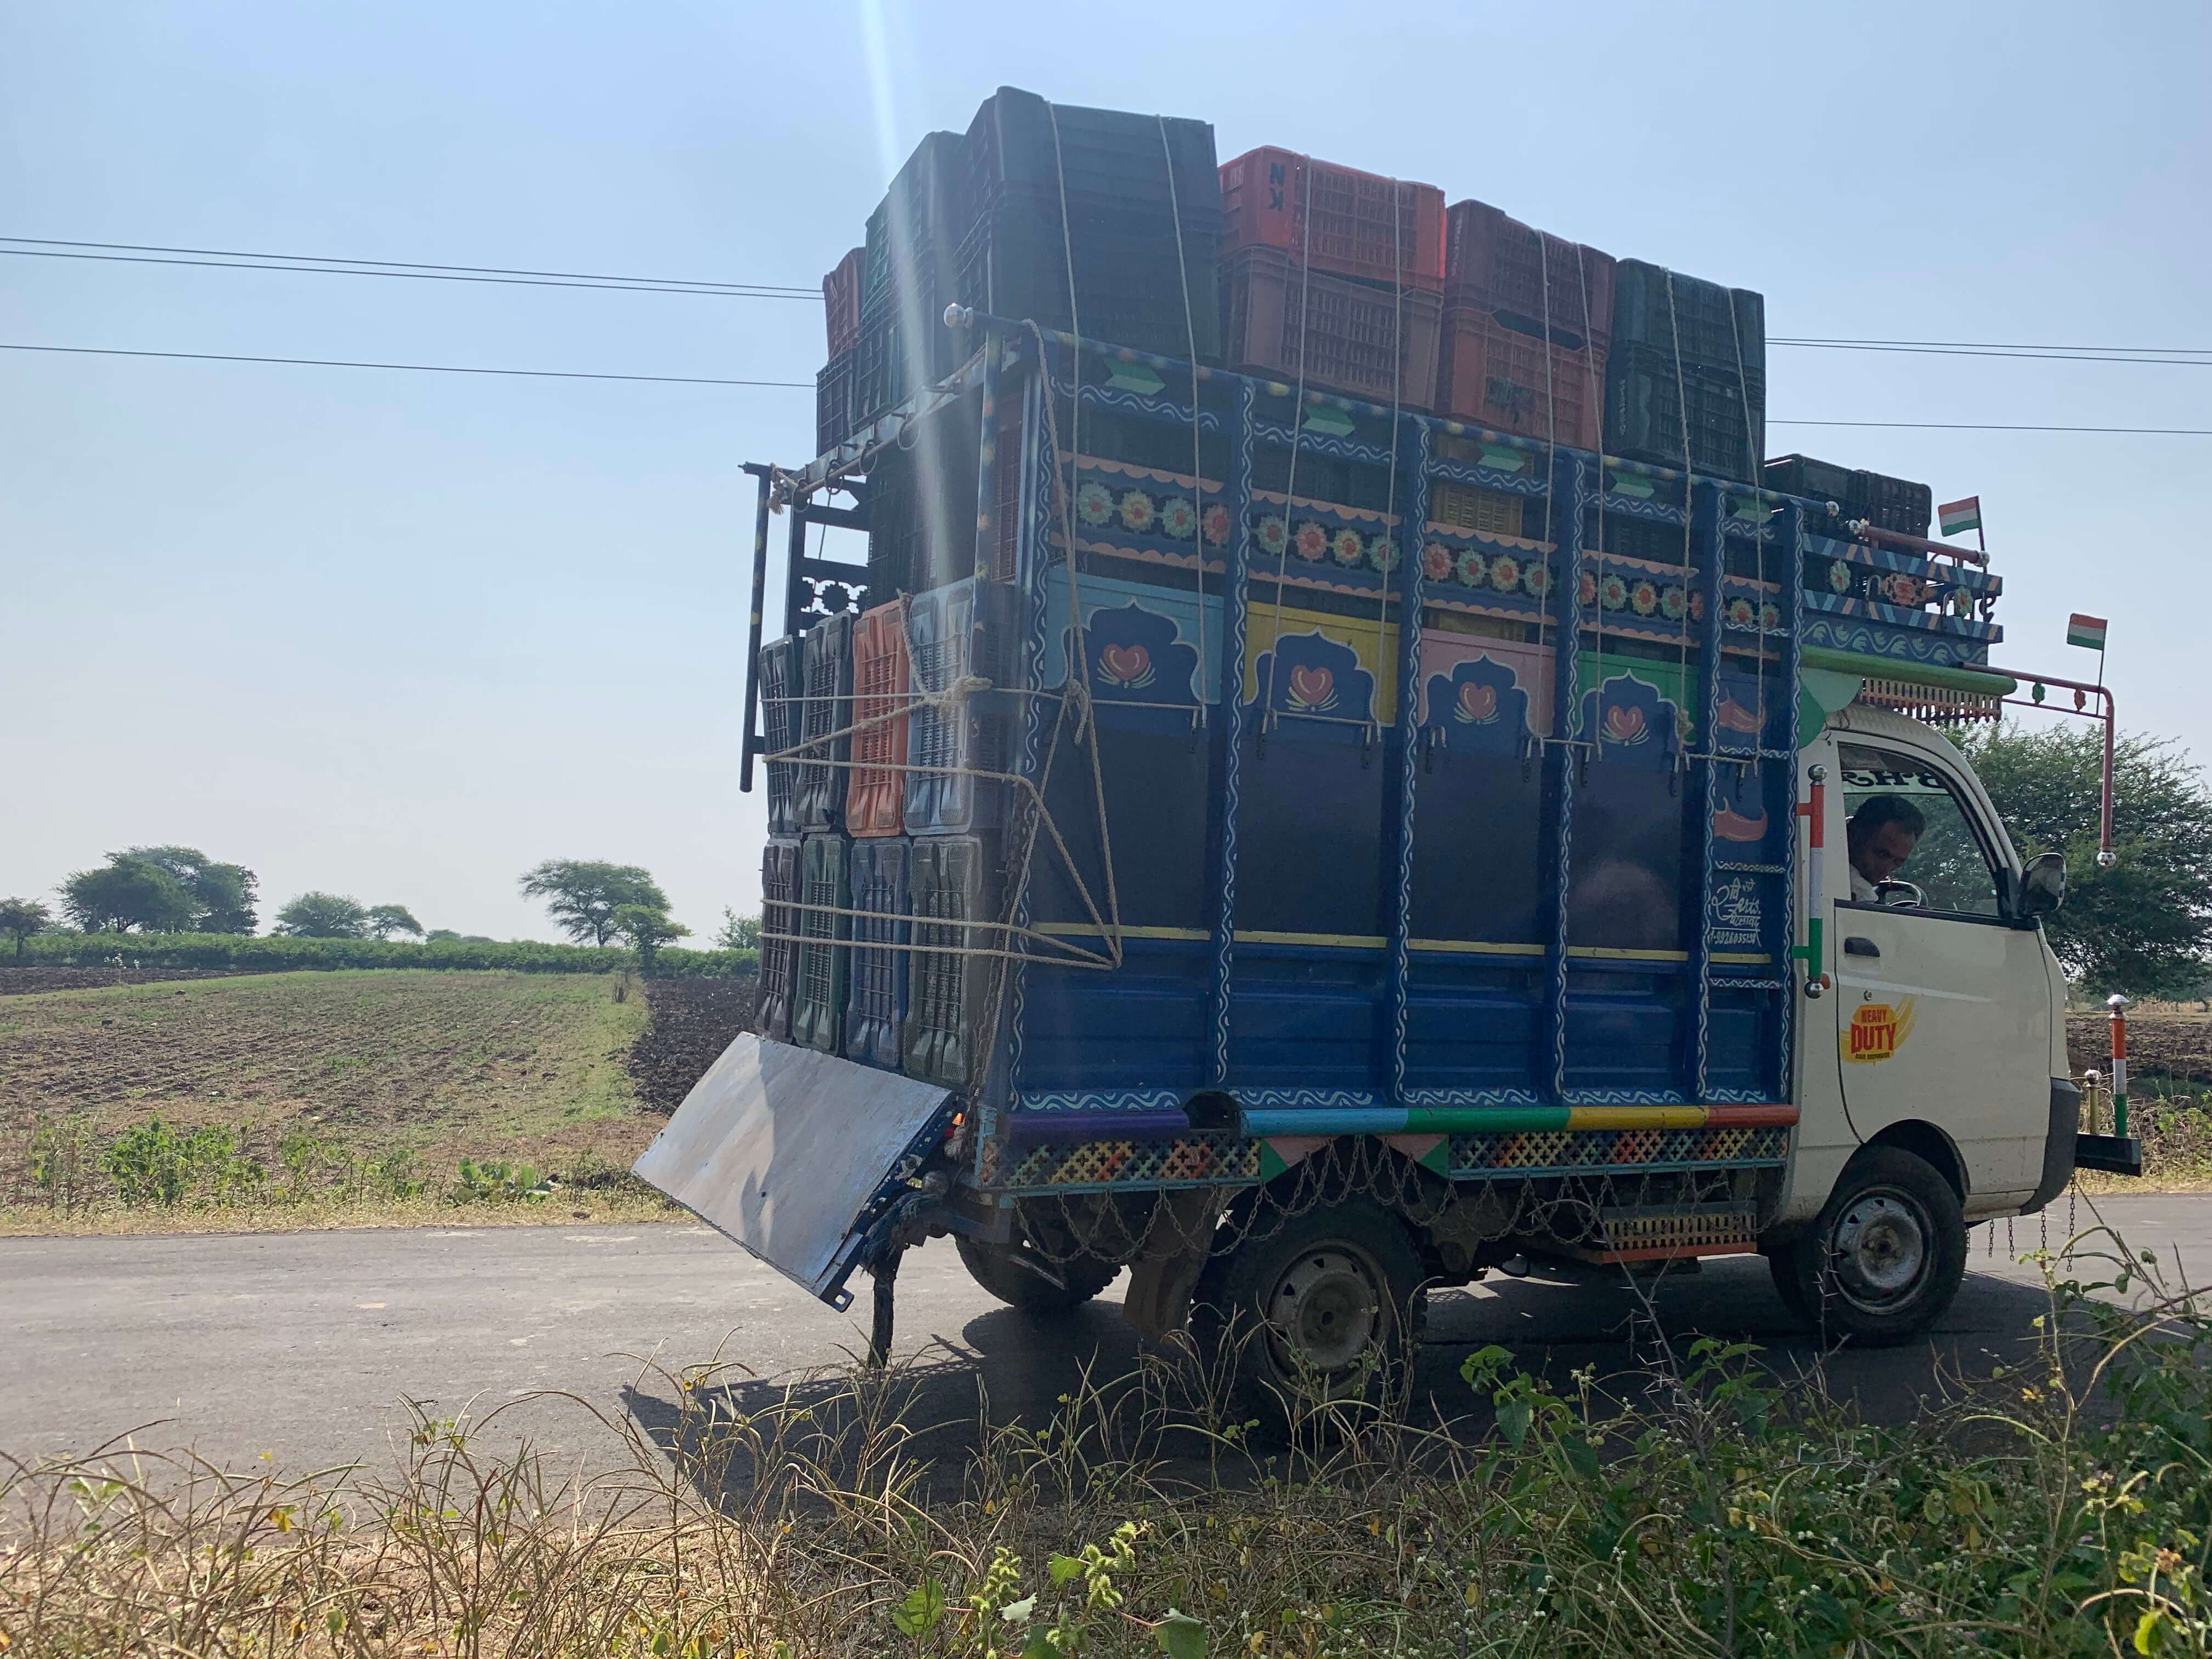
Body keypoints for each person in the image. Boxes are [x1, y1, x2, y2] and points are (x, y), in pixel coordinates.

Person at [1847, 794, 1926, 902]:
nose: (1885, 870)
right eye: (1882, 855)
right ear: (1852, 836)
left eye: (1898, 862)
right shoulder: (1856, 891)